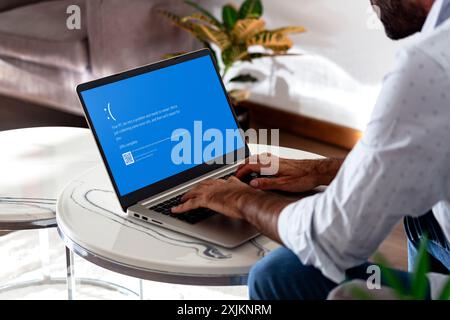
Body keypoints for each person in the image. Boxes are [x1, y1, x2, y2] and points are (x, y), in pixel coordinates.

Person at [172, 0, 450, 300]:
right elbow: (417, 157)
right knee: (423, 205)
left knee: (280, 276)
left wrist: (240, 198)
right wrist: (319, 169)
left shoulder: (429, 63)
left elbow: (333, 239)